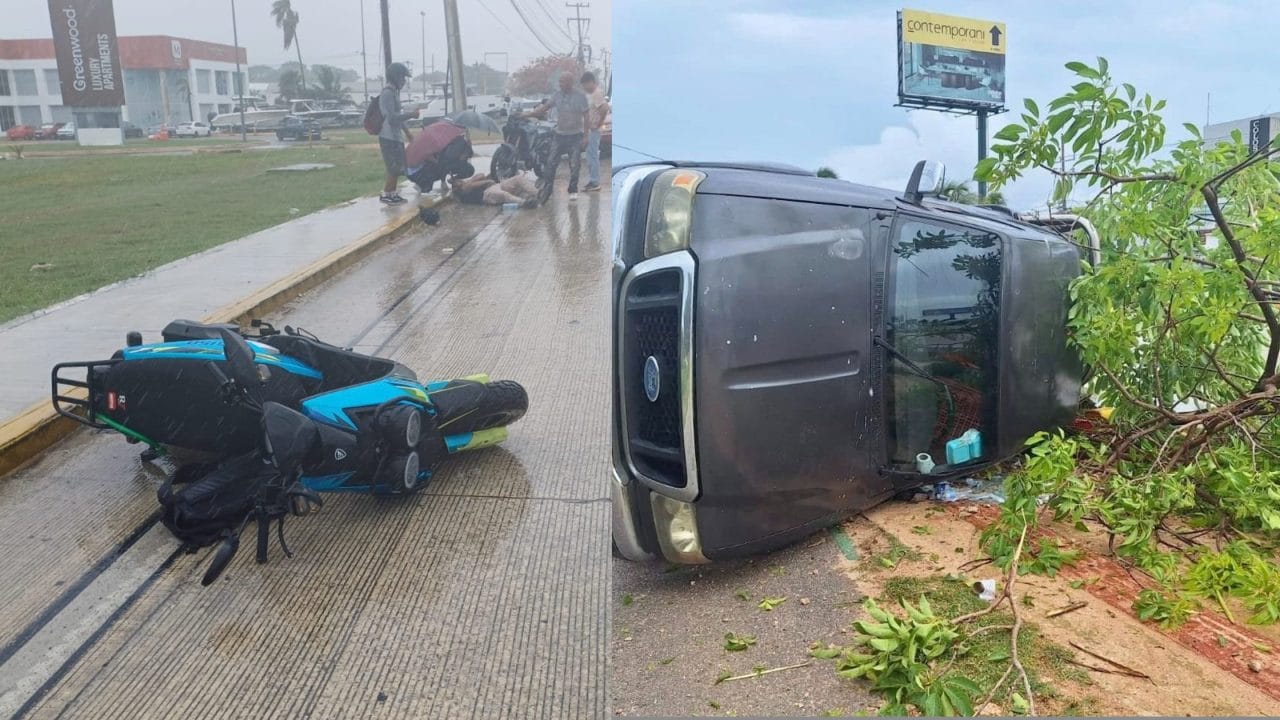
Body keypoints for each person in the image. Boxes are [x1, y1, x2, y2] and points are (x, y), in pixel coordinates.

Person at [519, 72, 590, 201]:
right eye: (559, 82)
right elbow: (544, 108)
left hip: (575, 136)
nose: (560, 84)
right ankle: (547, 189)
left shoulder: (580, 96)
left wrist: (586, 136)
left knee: (574, 164)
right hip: (559, 135)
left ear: (570, 82)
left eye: (562, 81)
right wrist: (528, 114)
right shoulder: (557, 95)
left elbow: (586, 116)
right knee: (551, 163)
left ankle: (573, 189)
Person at [377, 62, 420, 205]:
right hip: (388, 136)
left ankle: (392, 192)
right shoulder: (388, 93)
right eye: (402, 77)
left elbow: (397, 116)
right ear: (395, 77)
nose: (404, 81)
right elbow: (392, 118)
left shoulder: (393, 92)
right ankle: (387, 193)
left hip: (395, 136)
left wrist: (407, 132)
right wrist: (411, 115)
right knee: (393, 167)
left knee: (397, 166)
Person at [405, 120, 474, 193]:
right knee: (440, 165)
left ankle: (450, 180)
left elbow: (468, 155)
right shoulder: (431, 142)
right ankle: (422, 185)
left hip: (414, 171)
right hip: (417, 173)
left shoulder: (455, 141)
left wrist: (468, 144)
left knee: (463, 168)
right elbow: (439, 160)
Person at [580, 72, 610, 192]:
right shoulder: (592, 94)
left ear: (591, 82)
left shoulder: (597, 93)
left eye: (585, 85)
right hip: (589, 130)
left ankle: (595, 182)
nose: (585, 87)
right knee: (590, 156)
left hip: (593, 131)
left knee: (592, 156)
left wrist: (597, 124)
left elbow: (604, 108)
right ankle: (593, 181)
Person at [449, 171, 540, 209]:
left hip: (495, 186)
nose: (460, 181)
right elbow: (484, 182)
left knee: (518, 178)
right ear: (456, 187)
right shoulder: (462, 192)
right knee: (504, 195)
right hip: (487, 194)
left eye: (459, 180)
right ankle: (524, 203)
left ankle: (538, 193)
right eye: (458, 182)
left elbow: (481, 175)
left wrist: (469, 180)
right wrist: (467, 184)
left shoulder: (467, 183)